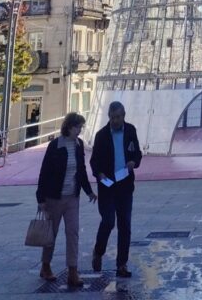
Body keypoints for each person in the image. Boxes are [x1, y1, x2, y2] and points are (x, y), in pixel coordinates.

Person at [36, 112, 97, 287]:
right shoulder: (56, 145)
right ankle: (45, 266)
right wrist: (41, 198)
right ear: (69, 127)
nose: (80, 130)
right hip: (54, 197)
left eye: (81, 127)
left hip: (72, 198)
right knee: (51, 234)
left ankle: (72, 271)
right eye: (78, 127)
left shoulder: (78, 145)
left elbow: (81, 170)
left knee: (73, 233)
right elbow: (45, 172)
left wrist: (89, 192)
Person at [90, 101, 142, 279]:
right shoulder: (101, 135)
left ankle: (122, 264)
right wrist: (100, 174)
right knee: (108, 221)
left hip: (125, 185)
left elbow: (137, 153)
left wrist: (133, 162)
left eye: (118, 117)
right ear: (109, 117)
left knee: (125, 225)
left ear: (124, 115)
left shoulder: (130, 131)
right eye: (112, 118)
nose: (115, 121)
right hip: (107, 186)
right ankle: (98, 251)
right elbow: (94, 161)